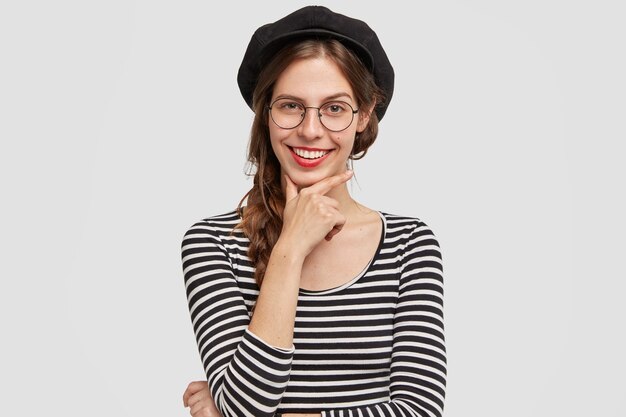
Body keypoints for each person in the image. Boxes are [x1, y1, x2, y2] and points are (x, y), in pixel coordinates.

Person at [180, 6, 446, 417]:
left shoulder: (408, 246)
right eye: (290, 105)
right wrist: (290, 249)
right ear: (265, 111)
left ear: (365, 114)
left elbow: (420, 410)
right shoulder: (212, 244)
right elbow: (247, 405)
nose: (310, 129)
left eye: (335, 108)